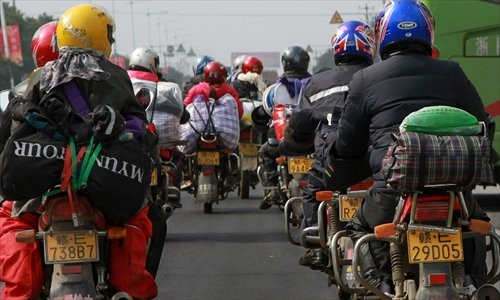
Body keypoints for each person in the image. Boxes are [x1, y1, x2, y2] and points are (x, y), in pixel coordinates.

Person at [329, 0, 494, 294]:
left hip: (392, 190)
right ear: (427, 31)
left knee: (357, 227)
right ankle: (473, 281)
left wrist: (340, 169)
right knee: (477, 224)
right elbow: (480, 122)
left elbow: (348, 142)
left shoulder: (365, 79)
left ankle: (379, 285)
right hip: (453, 189)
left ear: (382, 35)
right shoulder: (452, 72)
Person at [0, 4, 158, 299]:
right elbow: (140, 128)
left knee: (12, 220)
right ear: (101, 37)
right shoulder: (115, 75)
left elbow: (12, 135)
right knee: (140, 215)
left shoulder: (40, 77)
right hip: (102, 183)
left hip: (44, 189)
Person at [281, 21, 376, 269]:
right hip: (374, 158)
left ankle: (316, 246)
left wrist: (294, 142)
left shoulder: (318, 82)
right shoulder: (379, 76)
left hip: (332, 162)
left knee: (313, 190)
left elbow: (300, 123)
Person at [127, 47, 189, 209]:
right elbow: (180, 112)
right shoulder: (165, 87)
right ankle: (173, 186)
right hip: (158, 144)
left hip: (128, 142)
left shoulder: (122, 80)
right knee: (180, 158)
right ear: (152, 64)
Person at [251, 45, 311, 209]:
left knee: (264, 152)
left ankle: (271, 189)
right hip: (310, 141)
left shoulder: (276, 89)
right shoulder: (315, 84)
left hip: (281, 142)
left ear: (285, 63)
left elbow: (265, 111)